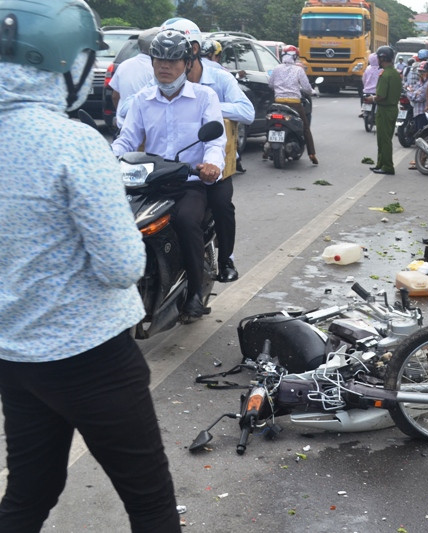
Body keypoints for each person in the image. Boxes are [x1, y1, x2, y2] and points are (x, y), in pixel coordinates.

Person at [0, 1, 181, 531]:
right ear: (63, 62)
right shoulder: (73, 141)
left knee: (29, 491)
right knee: (149, 499)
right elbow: (122, 264)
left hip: (14, 355)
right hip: (91, 356)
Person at [112, 29, 226, 319]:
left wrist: (211, 165)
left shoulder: (204, 96)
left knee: (187, 221)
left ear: (187, 63)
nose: (164, 66)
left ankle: (195, 295)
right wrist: (105, 159)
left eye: (172, 61)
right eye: (159, 60)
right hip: (150, 182)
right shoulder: (141, 99)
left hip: (188, 182)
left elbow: (215, 141)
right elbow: (126, 141)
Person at [164, 17, 254, 284]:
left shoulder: (219, 78)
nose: (166, 61)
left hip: (214, 165)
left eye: (174, 52)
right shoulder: (160, 79)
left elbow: (247, 111)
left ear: (192, 50)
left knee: (221, 204)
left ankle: (226, 259)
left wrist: (207, 106)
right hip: (173, 165)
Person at [267, 45, 318, 165]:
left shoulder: (276, 68)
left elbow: (270, 84)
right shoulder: (298, 70)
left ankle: (265, 151)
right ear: (295, 57)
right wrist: (313, 92)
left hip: (278, 103)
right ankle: (312, 154)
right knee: (305, 128)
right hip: (294, 104)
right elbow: (306, 88)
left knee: (269, 125)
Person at [110, 27, 158, 130]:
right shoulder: (160, 70)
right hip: (145, 131)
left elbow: (115, 96)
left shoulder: (123, 65)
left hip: (122, 128)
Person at [366, 46, 401, 175]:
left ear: (382, 58)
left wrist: (371, 99)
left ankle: (387, 166)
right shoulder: (394, 73)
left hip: (385, 110)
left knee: (384, 140)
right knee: (383, 138)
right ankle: (380, 163)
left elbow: (381, 96)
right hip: (391, 109)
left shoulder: (385, 74)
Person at [407, 60, 428, 171]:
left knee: (423, 139)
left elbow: (419, 97)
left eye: (423, 72)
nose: (421, 74)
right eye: (420, 72)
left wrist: (411, 93)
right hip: (417, 112)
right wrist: (412, 93)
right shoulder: (421, 83)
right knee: (419, 137)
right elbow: (411, 91)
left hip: (423, 114)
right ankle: (420, 159)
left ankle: (422, 160)